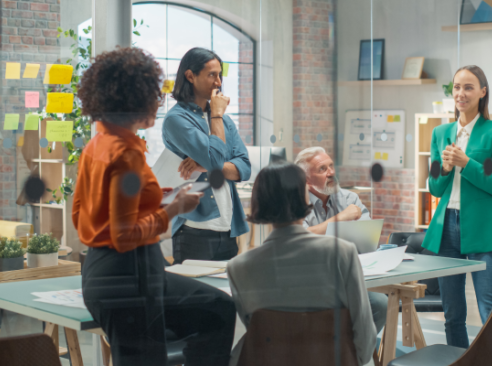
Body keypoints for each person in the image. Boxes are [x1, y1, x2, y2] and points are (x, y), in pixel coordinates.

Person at [73, 47, 236, 366]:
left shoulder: (99, 144)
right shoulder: (126, 154)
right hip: (129, 277)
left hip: (102, 272)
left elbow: (91, 212)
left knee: (216, 310)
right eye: (154, 94)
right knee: (218, 311)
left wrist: (161, 197)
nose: (160, 101)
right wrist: (175, 209)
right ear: (134, 99)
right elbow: (124, 234)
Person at [227, 162, 376, 366]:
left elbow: (253, 339)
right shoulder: (342, 253)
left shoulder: (238, 267)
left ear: (258, 201)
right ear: (303, 197)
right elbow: (364, 332)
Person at [421, 65, 492, 348]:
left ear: (483, 92)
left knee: (490, 311)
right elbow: (434, 186)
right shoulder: (440, 133)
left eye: (469, 87)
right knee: (453, 314)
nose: (461, 93)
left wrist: (466, 164)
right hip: (446, 227)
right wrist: (445, 169)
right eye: (457, 87)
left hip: (483, 229)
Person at [162, 47, 251, 263]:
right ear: (190, 76)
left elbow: (245, 168)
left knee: (227, 295)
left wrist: (205, 165)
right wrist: (217, 116)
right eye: (212, 75)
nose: (218, 83)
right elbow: (216, 160)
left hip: (228, 228)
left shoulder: (224, 122)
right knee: (196, 296)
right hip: (194, 230)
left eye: (219, 75)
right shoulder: (177, 119)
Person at [294, 146, 388, 335]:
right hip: (311, 280)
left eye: (331, 166)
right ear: (306, 179)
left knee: (380, 303)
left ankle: (353, 354)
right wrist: (340, 219)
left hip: (347, 274)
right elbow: (298, 239)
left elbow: (367, 235)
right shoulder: (297, 202)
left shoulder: (349, 198)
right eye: (322, 169)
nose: (331, 173)